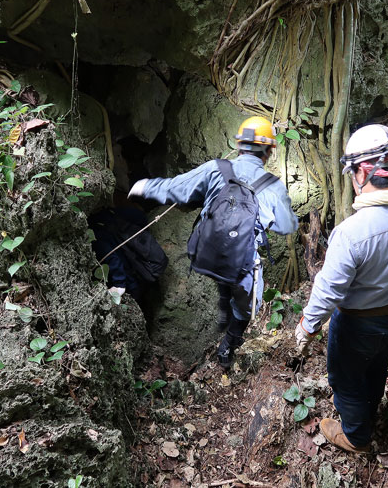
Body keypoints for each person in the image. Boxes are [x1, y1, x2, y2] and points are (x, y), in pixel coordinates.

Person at [294, 112, 388, 452]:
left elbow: (329, 290)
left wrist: (306, 328)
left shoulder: (350, 234)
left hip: (358, 326)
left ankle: (356, 435)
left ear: (362, 172)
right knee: (377, 363)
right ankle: (371, 406)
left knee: (346, 380)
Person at [128, 116, 299, 369]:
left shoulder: (216, 168)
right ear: (269, 152)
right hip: (241, 262)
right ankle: (229, 344)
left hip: (205, 252)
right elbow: (288, 226)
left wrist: (145, 186)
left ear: (239, 146)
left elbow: (178, 189)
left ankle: (223, 302)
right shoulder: (272, 185)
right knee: (248, 299)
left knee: (224, 262)